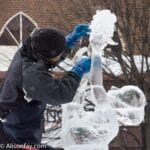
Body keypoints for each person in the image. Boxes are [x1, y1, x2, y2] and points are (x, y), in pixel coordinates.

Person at [0, 24, 91, 149]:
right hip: (18, 131)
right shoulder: (32, 75)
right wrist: (77, 72)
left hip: (13, 118)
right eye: (58, 54)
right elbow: (60, 93)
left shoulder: (29, 50)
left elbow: (46, 59)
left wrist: (68, 42)